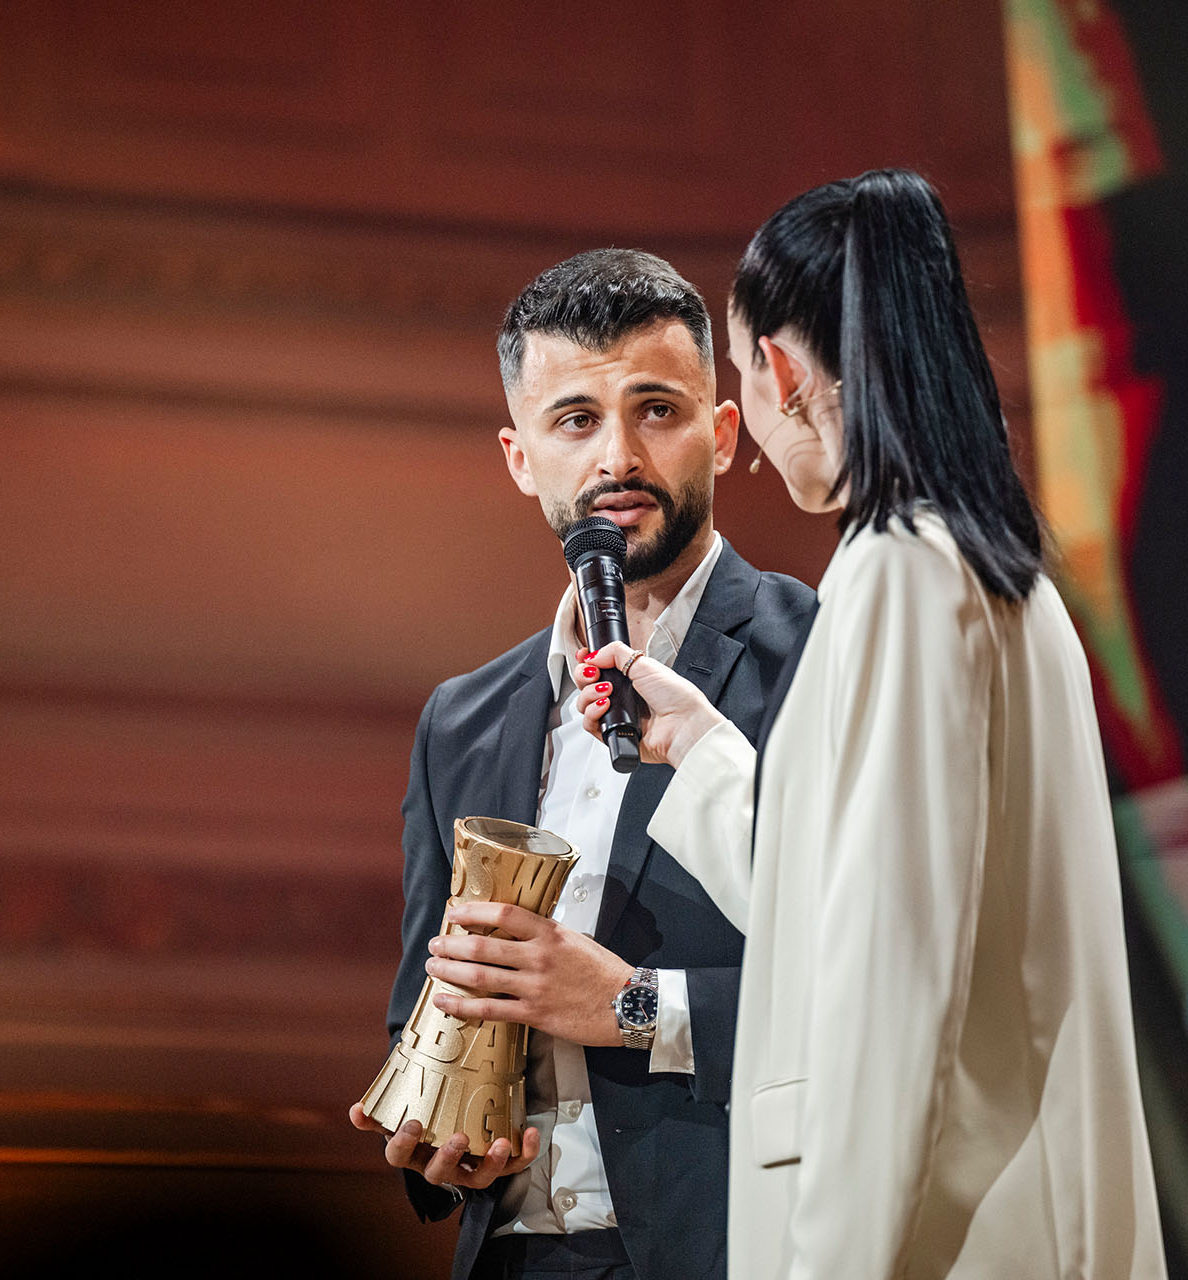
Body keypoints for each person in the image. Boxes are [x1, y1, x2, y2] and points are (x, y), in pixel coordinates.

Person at [577, 171, 1168, 1277]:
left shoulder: (898, 572)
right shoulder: (1003, 576)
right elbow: (847, 889)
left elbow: (889, 974)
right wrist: (702, 747)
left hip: (935, 1235)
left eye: (746, 378)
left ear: (787, 376)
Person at [349, 248, 816, 1280]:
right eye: (576, 420)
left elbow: (880, 990)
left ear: (724, 433)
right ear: (520, 457)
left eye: (657, 409)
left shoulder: (821, 659)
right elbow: (423, 1008)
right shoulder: (460, 720)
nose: (618, 455)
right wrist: (439, 1140)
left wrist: (631, 1003)